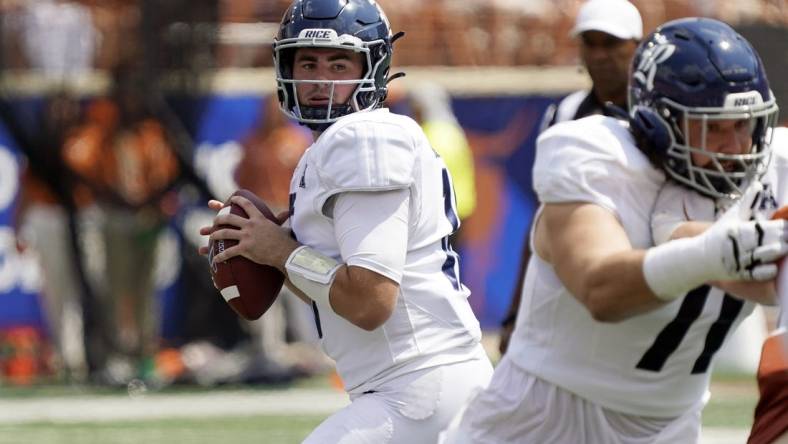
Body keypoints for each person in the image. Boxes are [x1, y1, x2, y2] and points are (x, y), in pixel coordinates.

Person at [441, 17, 783, 444]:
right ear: (660, 123)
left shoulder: (775, 170)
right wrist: (720, 252)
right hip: (544, 415)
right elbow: (601, 289)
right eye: (712, 127)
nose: (736, 150)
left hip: (668, 425)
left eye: (743, 125)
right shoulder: (594, 153)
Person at [200, 0, 493, 442]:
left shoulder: (362, 138)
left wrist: (283, 251)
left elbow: (370, 302)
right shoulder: (338, 144)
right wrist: (264, 251)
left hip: (420, 389)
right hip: (416, 390)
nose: (320, 79)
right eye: (308, 62)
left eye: (339, 63)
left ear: (373, 68)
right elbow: (337, 291)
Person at [499, 0, 642, 355]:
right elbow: (541, 218)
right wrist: (516, 313)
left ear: (637, 47)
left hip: (638, 277)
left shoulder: (659, 112)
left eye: (610, 43)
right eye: (589, 43)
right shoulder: (564, 114)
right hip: (572, 278)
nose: (599, 55)